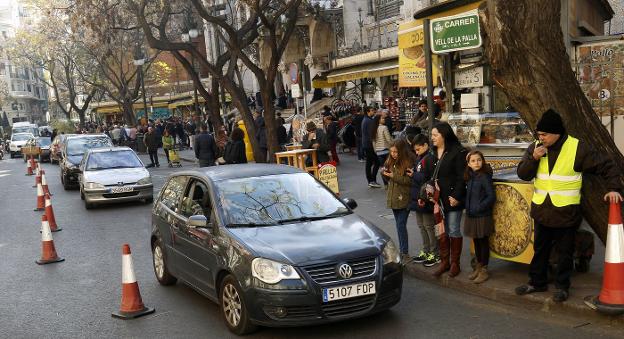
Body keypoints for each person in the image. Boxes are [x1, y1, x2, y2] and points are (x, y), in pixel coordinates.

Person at [515, 109, 623, 302]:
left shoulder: (577, 148)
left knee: (565, 253)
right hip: (541, 210)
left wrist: (614, 187)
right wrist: (534, 158)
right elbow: (523, 174)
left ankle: (562, 287)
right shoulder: (535, 148)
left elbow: (606, 165)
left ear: (556, 133)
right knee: (540, 250)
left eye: (544, 134)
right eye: (538, 134)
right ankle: (536, 282)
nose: (540, 138)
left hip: (566, 212)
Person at [431, 121, 467, 278]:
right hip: (437, 200)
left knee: (453, 229)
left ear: (443, 135)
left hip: (452, 198)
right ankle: (444, 262)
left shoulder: (457, 152)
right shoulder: (433, 152)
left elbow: (462, 177)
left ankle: (454, 264)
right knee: (441, 230)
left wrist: (457, 196)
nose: (432, 138)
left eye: (435, 135)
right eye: (431, 135)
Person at [464, 150, 496, 284]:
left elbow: (491, 196)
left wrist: (479, 207)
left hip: (482, 215)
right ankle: (478, 266)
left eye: (479, 160)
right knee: (476, 241)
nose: (476, 163)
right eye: (473, 161)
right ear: (468, 164)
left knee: (483, 242)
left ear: (482, 161)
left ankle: (484, 269)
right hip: (472, 215)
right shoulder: (470, 176)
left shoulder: (484, 176)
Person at [407, 134, 439, 267]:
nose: (416, 152)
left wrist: (414, 174)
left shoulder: (429, 159)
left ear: (425, 145)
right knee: (421, 226)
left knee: (429, 226)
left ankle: (434, 252)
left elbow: (427, 178)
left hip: (424, 198)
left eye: (418, 149)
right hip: (417, 198)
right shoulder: (421, 158)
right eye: (415, 150)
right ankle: (426, 250)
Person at [382, 139, 414, 262]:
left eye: (396, 152)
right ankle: (403, 251)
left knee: (401, 225)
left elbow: (409, 181)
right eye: (391, 152)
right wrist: (385, 174)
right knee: (399, 225)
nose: (393, 154)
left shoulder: (408, 163)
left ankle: (404, 253)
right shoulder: (390, 161)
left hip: (404, 198)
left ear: (402, 151)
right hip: (394, 198)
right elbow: (389, 180)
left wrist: (392, 176)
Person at [362, 107, 381, 188]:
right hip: (369, 145)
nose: (374, 112)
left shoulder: (366, 119)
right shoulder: (369, 121)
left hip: (366, 144)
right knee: (375, 162)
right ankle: (372, 180)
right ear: (368, 112)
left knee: (370, 163)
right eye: (372, 110)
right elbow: (371, 134)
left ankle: (371, 180)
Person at [373, 114, 393, 188]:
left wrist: (376, 150)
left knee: (383, 168)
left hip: (378, 152)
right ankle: (390, 182)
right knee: (390, 167)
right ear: (379, 120)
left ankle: (385, 184)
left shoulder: (374, 128)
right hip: (386, 150)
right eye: (382, 119)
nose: (384, 119)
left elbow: (373, 141)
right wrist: (393, 145)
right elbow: (388, 139)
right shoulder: (384, 127)